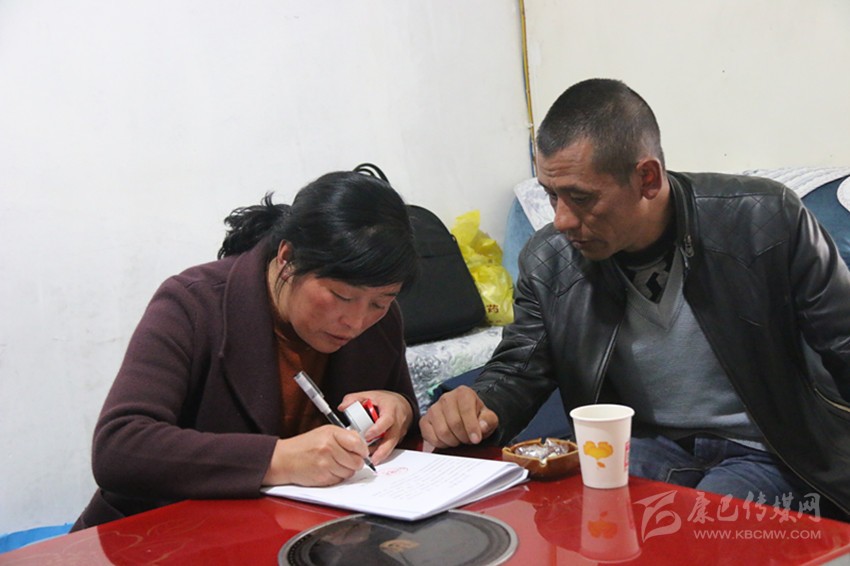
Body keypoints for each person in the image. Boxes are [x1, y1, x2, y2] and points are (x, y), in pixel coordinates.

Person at [421, 78, 850, 518]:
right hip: (641, 445)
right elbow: (519, 368)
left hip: (769, 449)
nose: (561, 220)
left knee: (708, 527)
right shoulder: (550, 260)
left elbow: (844, 340)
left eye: (580, 198)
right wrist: (479, 405)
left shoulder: (764, 219)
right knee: (589, 520)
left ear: (647, 178)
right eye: (551, 195)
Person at [72, 170, 420, 530]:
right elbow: (119, 447)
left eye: (380, 302)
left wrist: (400, 409)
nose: (357, 321)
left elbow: (401, 425)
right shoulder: (193, 304)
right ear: (288, 258)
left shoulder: (381, 322)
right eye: (341, 296)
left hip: (295, 534)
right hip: (157, 536)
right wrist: (279, 459)